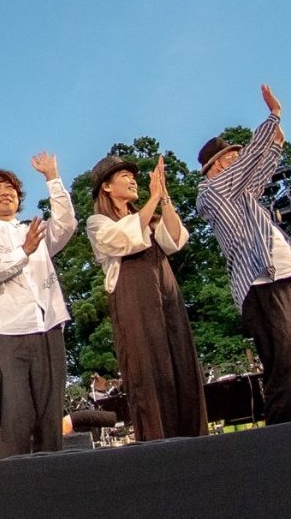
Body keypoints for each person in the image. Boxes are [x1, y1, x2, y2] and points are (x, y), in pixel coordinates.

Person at [195, 83, 291, 424]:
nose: (238, 161)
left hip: (278, 273)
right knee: (284, 358)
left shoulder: (242, 193)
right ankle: (281, 431)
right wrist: (273, 117)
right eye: (231, 159)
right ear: (216, 166)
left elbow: (259, 171)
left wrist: (275, 146)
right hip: (260, 279)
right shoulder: (214, 191)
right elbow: (249, 164)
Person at [0, 152, 76, 458]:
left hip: (49, 329)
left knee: (50, 423)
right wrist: (23, 252)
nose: (5, 192)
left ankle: (52, 492)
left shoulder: (34, 229)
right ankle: (15, 492)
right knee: (16, 419)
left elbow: (66, 224)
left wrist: (53, 178)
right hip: (7, 334)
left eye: (10, 188)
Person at [86, 154, 206, 440]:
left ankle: (193, 436)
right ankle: (157, 441)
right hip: (132, 295)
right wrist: (152, 199)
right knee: (148, 368)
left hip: (165, 287)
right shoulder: (97, 222)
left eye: (134, 176)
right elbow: (120, 240)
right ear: (106, 187)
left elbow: (174, 239)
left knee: (180, 358)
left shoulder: (149, 218)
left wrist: (163, 198)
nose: (132, 180)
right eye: (124, 176)